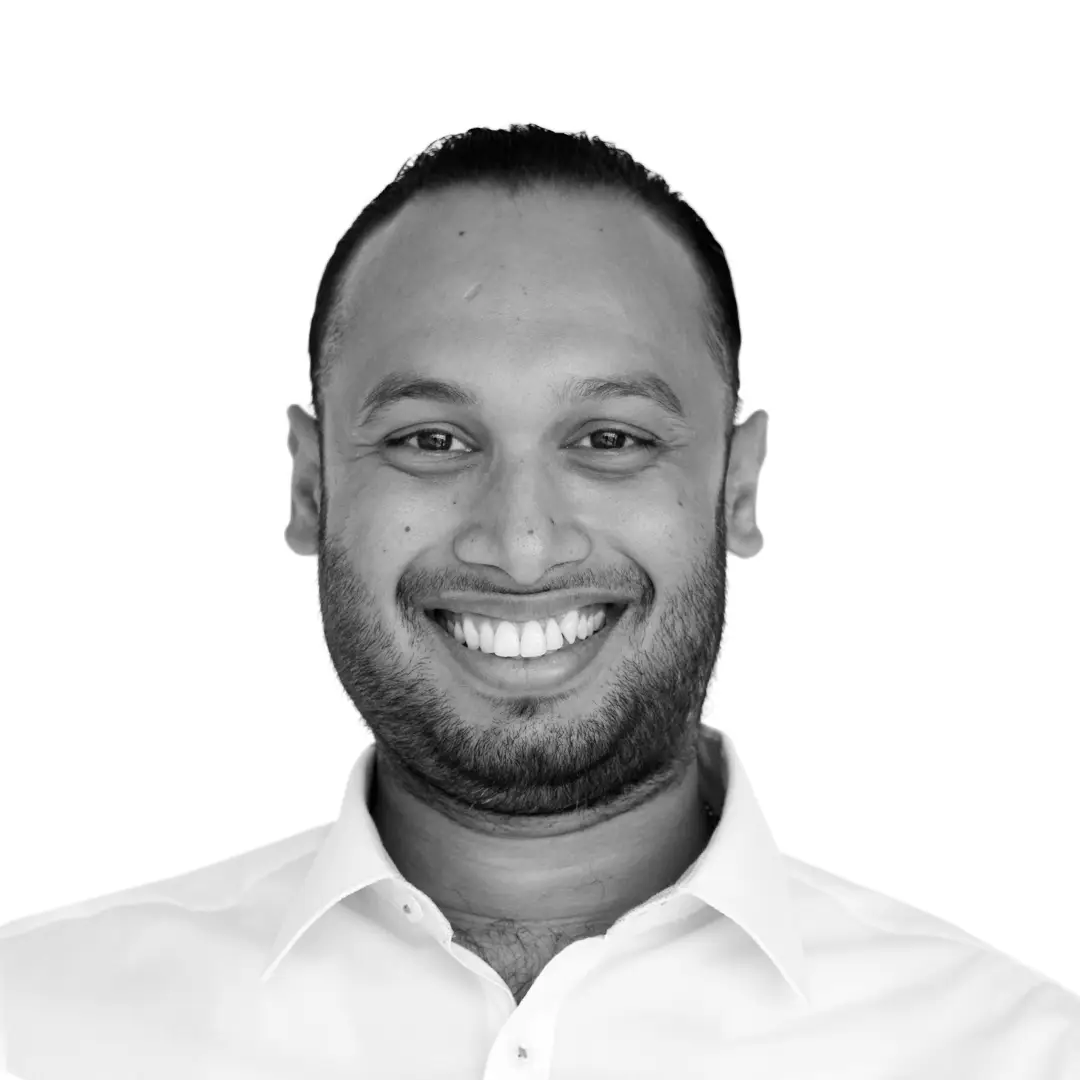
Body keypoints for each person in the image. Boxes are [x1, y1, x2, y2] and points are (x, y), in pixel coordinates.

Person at [1, 124, 1077, 1078]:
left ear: (738, 487)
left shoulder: (1021, 1055)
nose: (520, 545)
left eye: (610, 439)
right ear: (312, 487)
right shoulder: (33, 1026)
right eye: (432, 439)